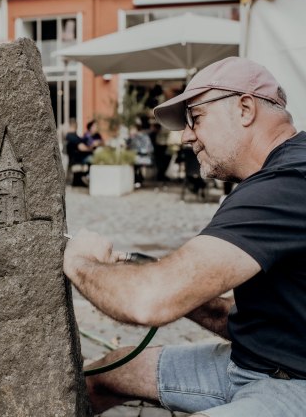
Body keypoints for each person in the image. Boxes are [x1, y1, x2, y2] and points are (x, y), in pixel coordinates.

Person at [63, 57, 306, 416]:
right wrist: (181, 290)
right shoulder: (274, 177)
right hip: (249, 364)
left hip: (294, 386)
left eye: (196, 118)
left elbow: (148, 302)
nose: (186, 135)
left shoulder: (288, 182)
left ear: (244, 108)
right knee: (104, 373)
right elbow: (265, 319)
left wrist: (81, 262)